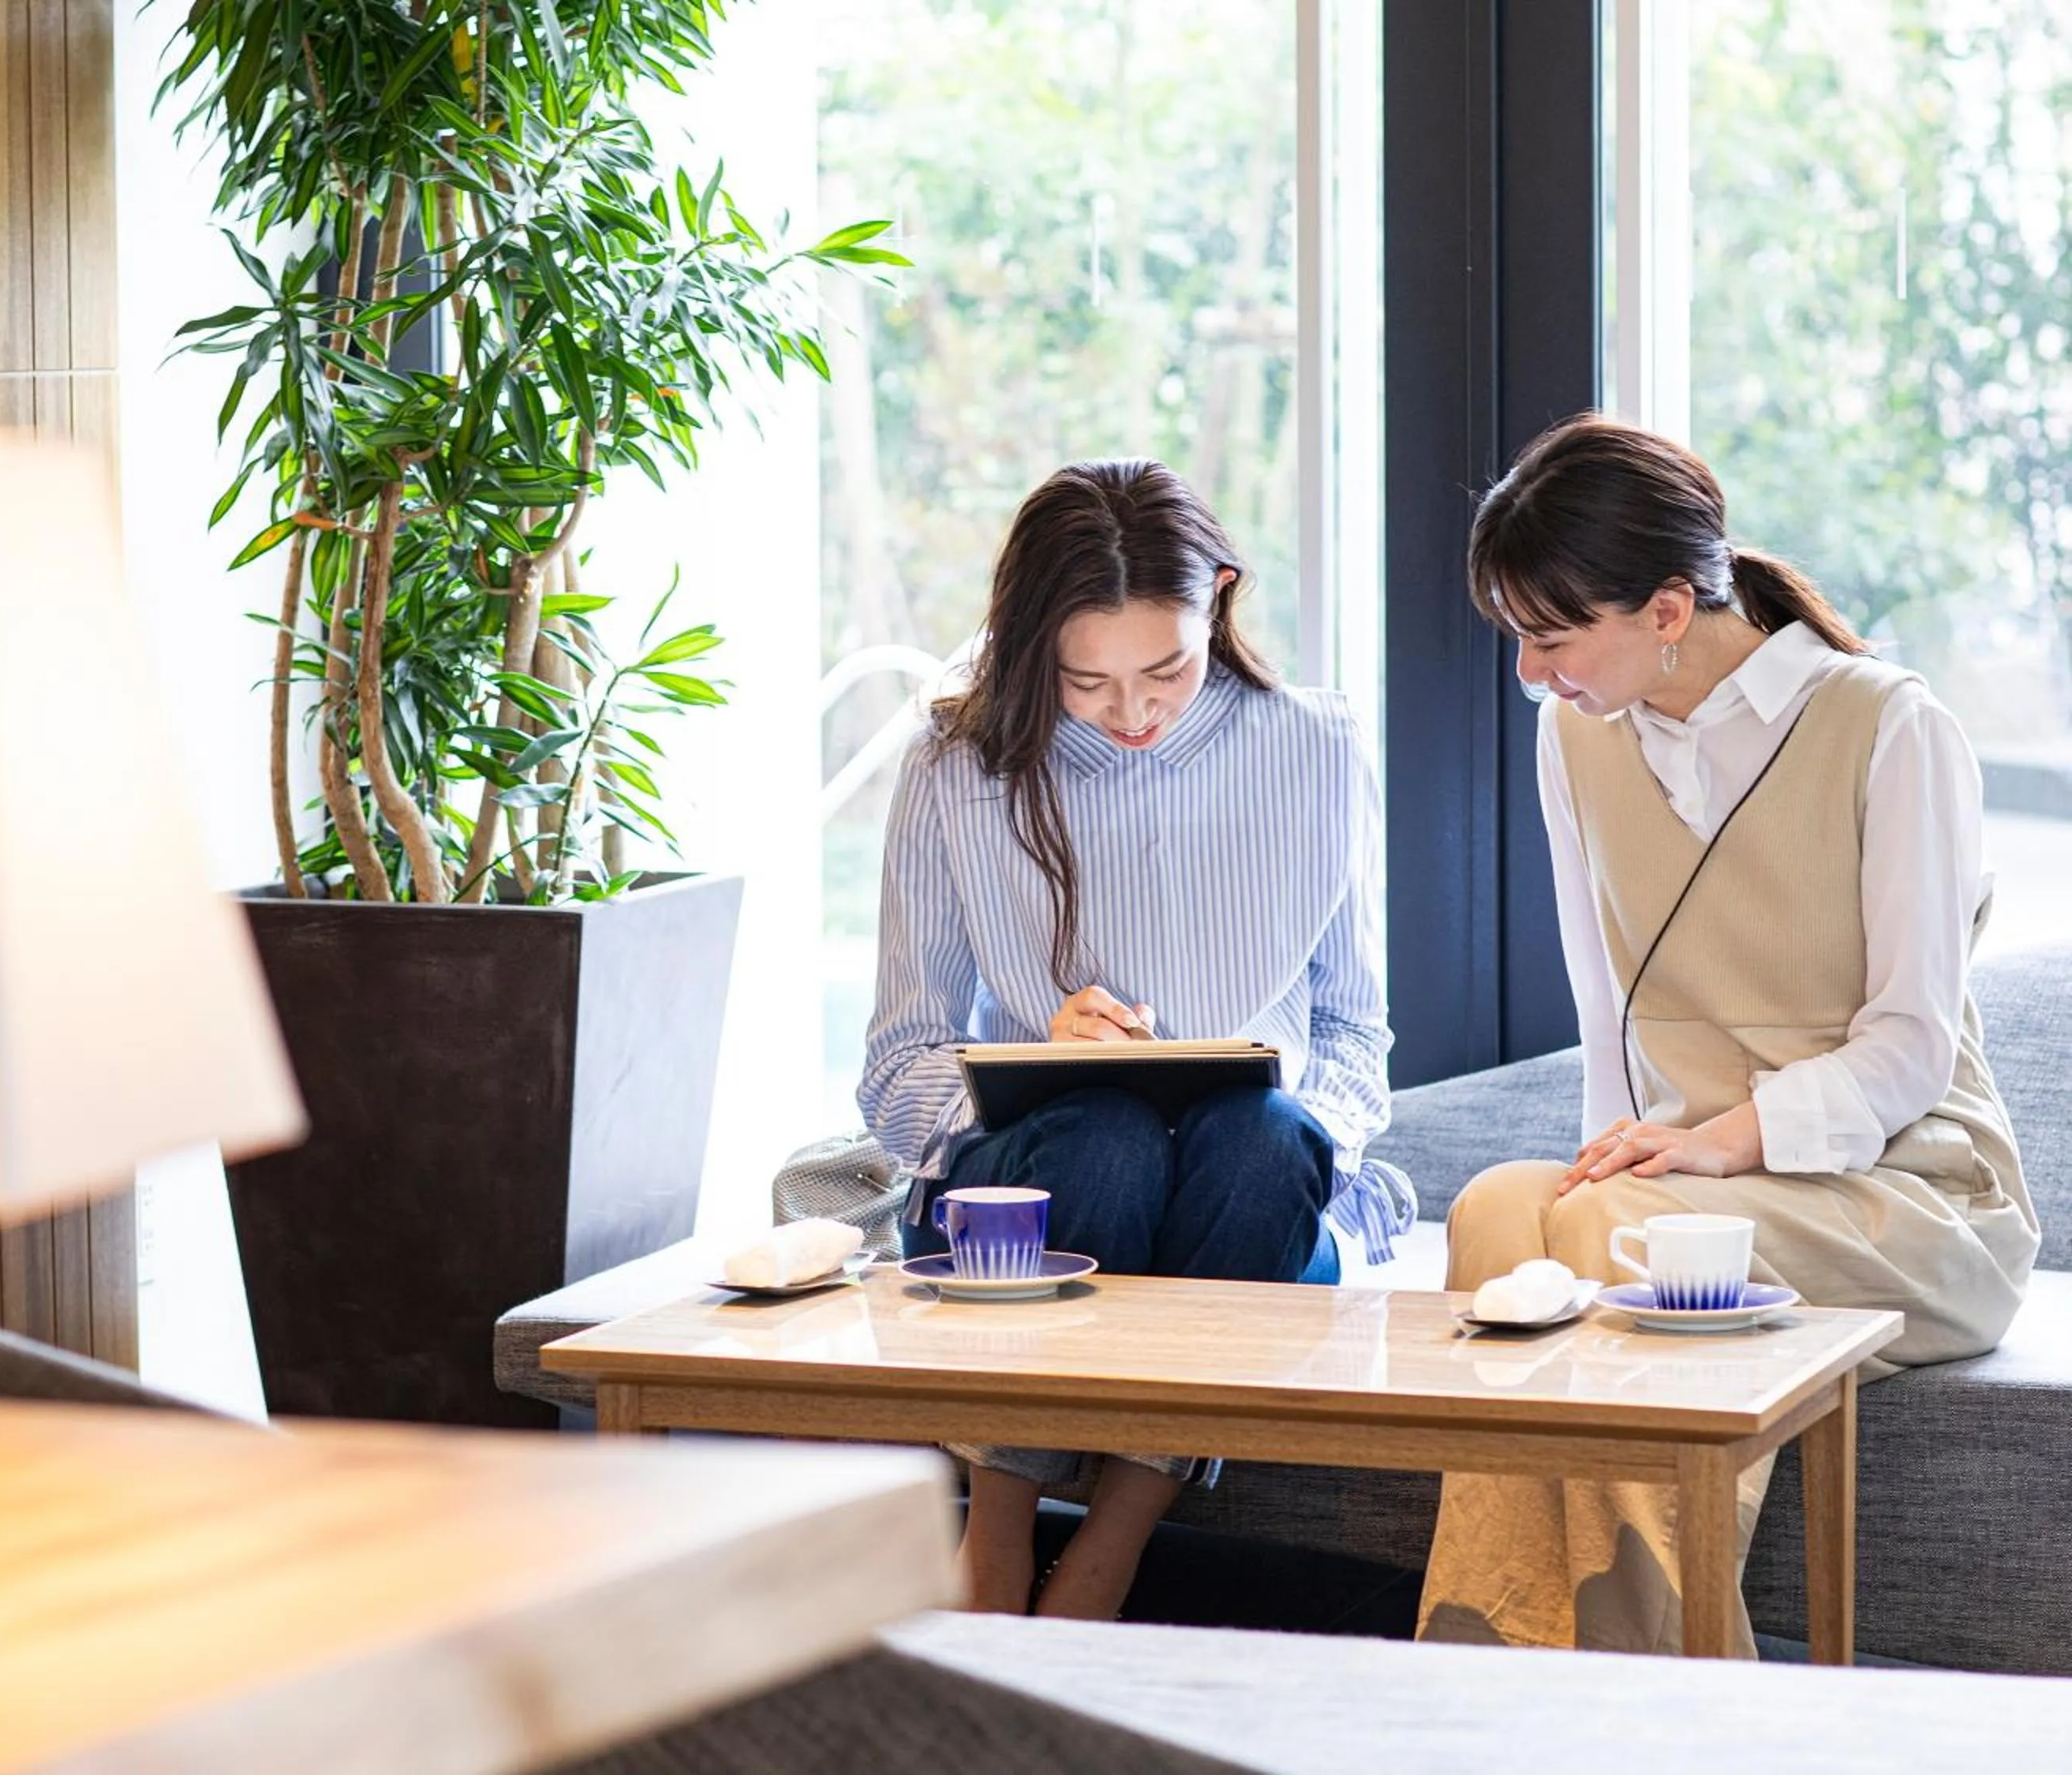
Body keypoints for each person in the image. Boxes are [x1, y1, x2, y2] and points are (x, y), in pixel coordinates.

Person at [1417, 413, 2040, 1656]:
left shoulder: (1889, 727)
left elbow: (1913, 1045)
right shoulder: (1575, 736)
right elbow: (1607, 1010)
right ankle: (1501, 1681)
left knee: (1617, 1230)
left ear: (1663, 608)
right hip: (1701, 1189)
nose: (1533, 675)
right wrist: (1622, 1144)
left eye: (1552, 637)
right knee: (1499, 1208)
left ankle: (1663, 1702)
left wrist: (1718, 1145)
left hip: (1911, 1195)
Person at [859, 458, 1410, 1620]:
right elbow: (898, 1062)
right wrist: (1027, 1070)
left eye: (1166, 667)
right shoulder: (954, 769)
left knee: (1259, 1135)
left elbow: (1358, 1037)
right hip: (1045, 1181)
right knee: (1104, 1134)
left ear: (1218, 596)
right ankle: (997, 1533)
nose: (1136, 712)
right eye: (1087, 682)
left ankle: (1108, 1549)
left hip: (1247, 1193)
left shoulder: (1317, 747)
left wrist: (1325, 1122)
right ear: (1028, 648)